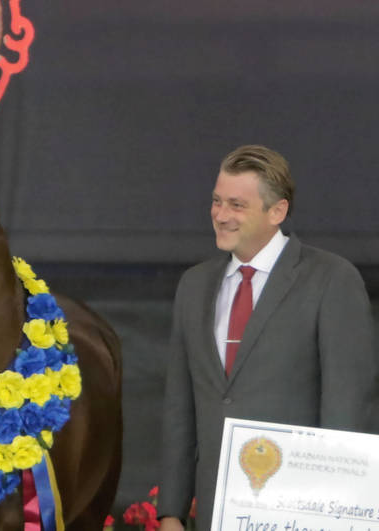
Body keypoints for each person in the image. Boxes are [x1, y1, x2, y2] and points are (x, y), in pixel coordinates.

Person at [159, 145, 376, 530]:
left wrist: (334, 516)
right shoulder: (193, 286)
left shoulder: (331, 279)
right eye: (216, 201)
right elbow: (180, 409)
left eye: (237, 205)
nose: (221, 216)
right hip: (213, 513)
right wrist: (172, 512)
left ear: (277, 212)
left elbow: (347, 409)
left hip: (297, 515)